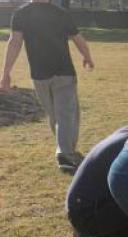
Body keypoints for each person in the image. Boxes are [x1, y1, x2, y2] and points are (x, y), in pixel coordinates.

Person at [1, 0, 95, 173]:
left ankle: (66, 152)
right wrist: (87, 56)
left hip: (39, 74)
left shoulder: (21, 13)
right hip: (64, 71)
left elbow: (15, 42)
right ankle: (65, 153)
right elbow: (78, 38)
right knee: (67, 114)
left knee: (56, 115)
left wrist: (6, 73)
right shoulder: (61, 13)